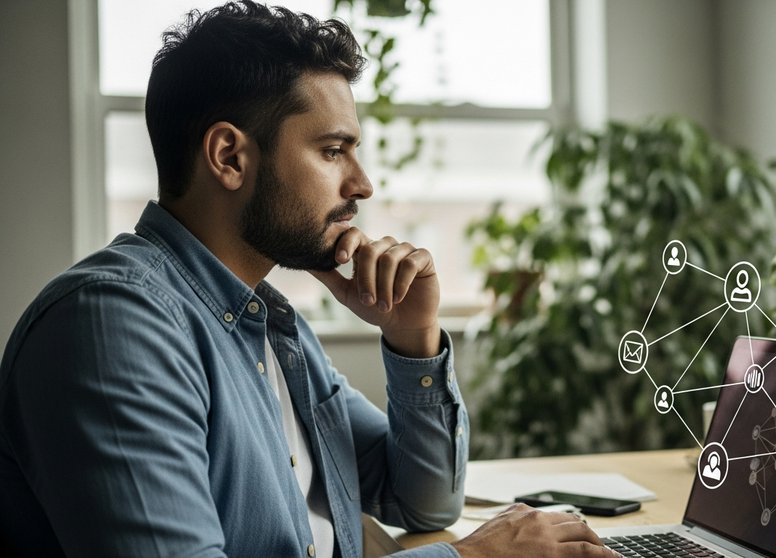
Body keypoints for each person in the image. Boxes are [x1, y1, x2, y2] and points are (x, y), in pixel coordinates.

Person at [0, 2, 615, 557]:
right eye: (332, 150)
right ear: (230, 157)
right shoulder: (114, 326)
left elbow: (423, 501)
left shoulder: (265, 327)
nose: (362, 184)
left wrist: (413, 336)